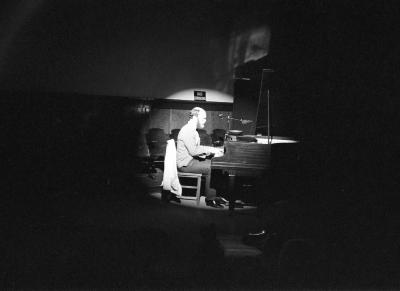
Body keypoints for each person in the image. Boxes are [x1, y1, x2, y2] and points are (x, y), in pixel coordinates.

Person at [176, 107, 225, 208]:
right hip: (186, 164)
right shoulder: (187, 130)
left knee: (215, 163)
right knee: (212, 167)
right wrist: (212, 150)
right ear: (195, 117)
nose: (205, 121)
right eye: (203, 118)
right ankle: (210, 199)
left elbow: (197, 148)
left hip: (191, 160)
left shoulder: (193, 130)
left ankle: (214, 195)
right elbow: (194, 151)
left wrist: (211, 150)